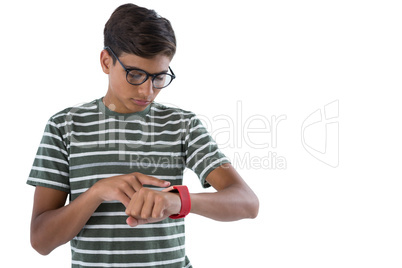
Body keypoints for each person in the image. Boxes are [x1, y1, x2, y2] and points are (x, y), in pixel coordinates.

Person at [27, 3, 259, 267]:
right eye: (135, 74)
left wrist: (177, 201)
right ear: (106, 61)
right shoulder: (64, 126)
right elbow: (41, 241)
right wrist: (96, 193)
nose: (147, 91)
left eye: (159, 77)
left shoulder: (182, 124)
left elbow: (247, 203)